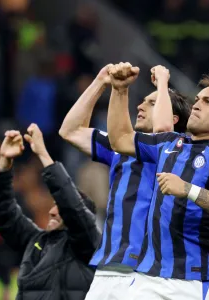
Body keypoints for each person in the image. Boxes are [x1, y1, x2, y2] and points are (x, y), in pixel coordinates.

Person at [106, 62, 209, 300]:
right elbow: (120, 139)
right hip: (146, 275)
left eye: (208, 102)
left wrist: (187, 189)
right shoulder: (169, 143)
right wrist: (119, 90)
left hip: (191, 281)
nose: (197, 105)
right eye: (199, 99)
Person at [59, 64, 192, 300]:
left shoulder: (180, 150)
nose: (140, 106)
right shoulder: (120, 148)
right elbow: (70, 130)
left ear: (174, 117)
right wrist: (101, 81)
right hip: (109, 265)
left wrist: (162, 83)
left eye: (151, 103)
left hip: (148, 271)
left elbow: (163, 130)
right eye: (143, 101)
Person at [0, 123, 100, 299]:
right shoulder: (36, 242)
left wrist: (43, 153)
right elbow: (3, 211)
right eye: (54, 205)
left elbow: (71, 205)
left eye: (60, 208)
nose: (52, 212)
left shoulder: (89, 246)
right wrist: (4, 164)